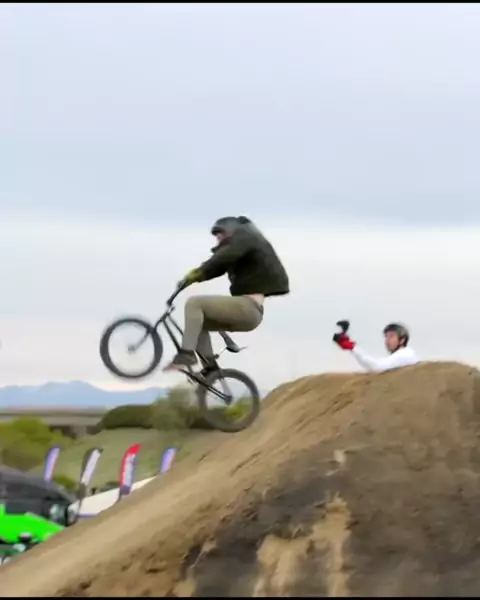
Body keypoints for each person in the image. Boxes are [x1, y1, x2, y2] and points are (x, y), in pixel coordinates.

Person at [163, 216, 290, 371]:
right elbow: (216, 267)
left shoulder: (245, 238)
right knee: (197, 324)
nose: (217, 238)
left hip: (248, 308)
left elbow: (223, 257)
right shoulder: (240, 248)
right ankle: (211, 369)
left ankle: (186, 354)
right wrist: (191, 279)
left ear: (231, 230)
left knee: (194, 303)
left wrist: (197, 273)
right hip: (248, 312)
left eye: (220, 234)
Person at [333, 322, 420, 373]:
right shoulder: (401, 355)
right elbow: (375, 364)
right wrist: (352, 348)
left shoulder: (406, 354)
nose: (387, 340)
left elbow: (377, 367)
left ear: (402, 340)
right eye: (386, 336)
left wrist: (352, 347)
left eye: (391, 336)